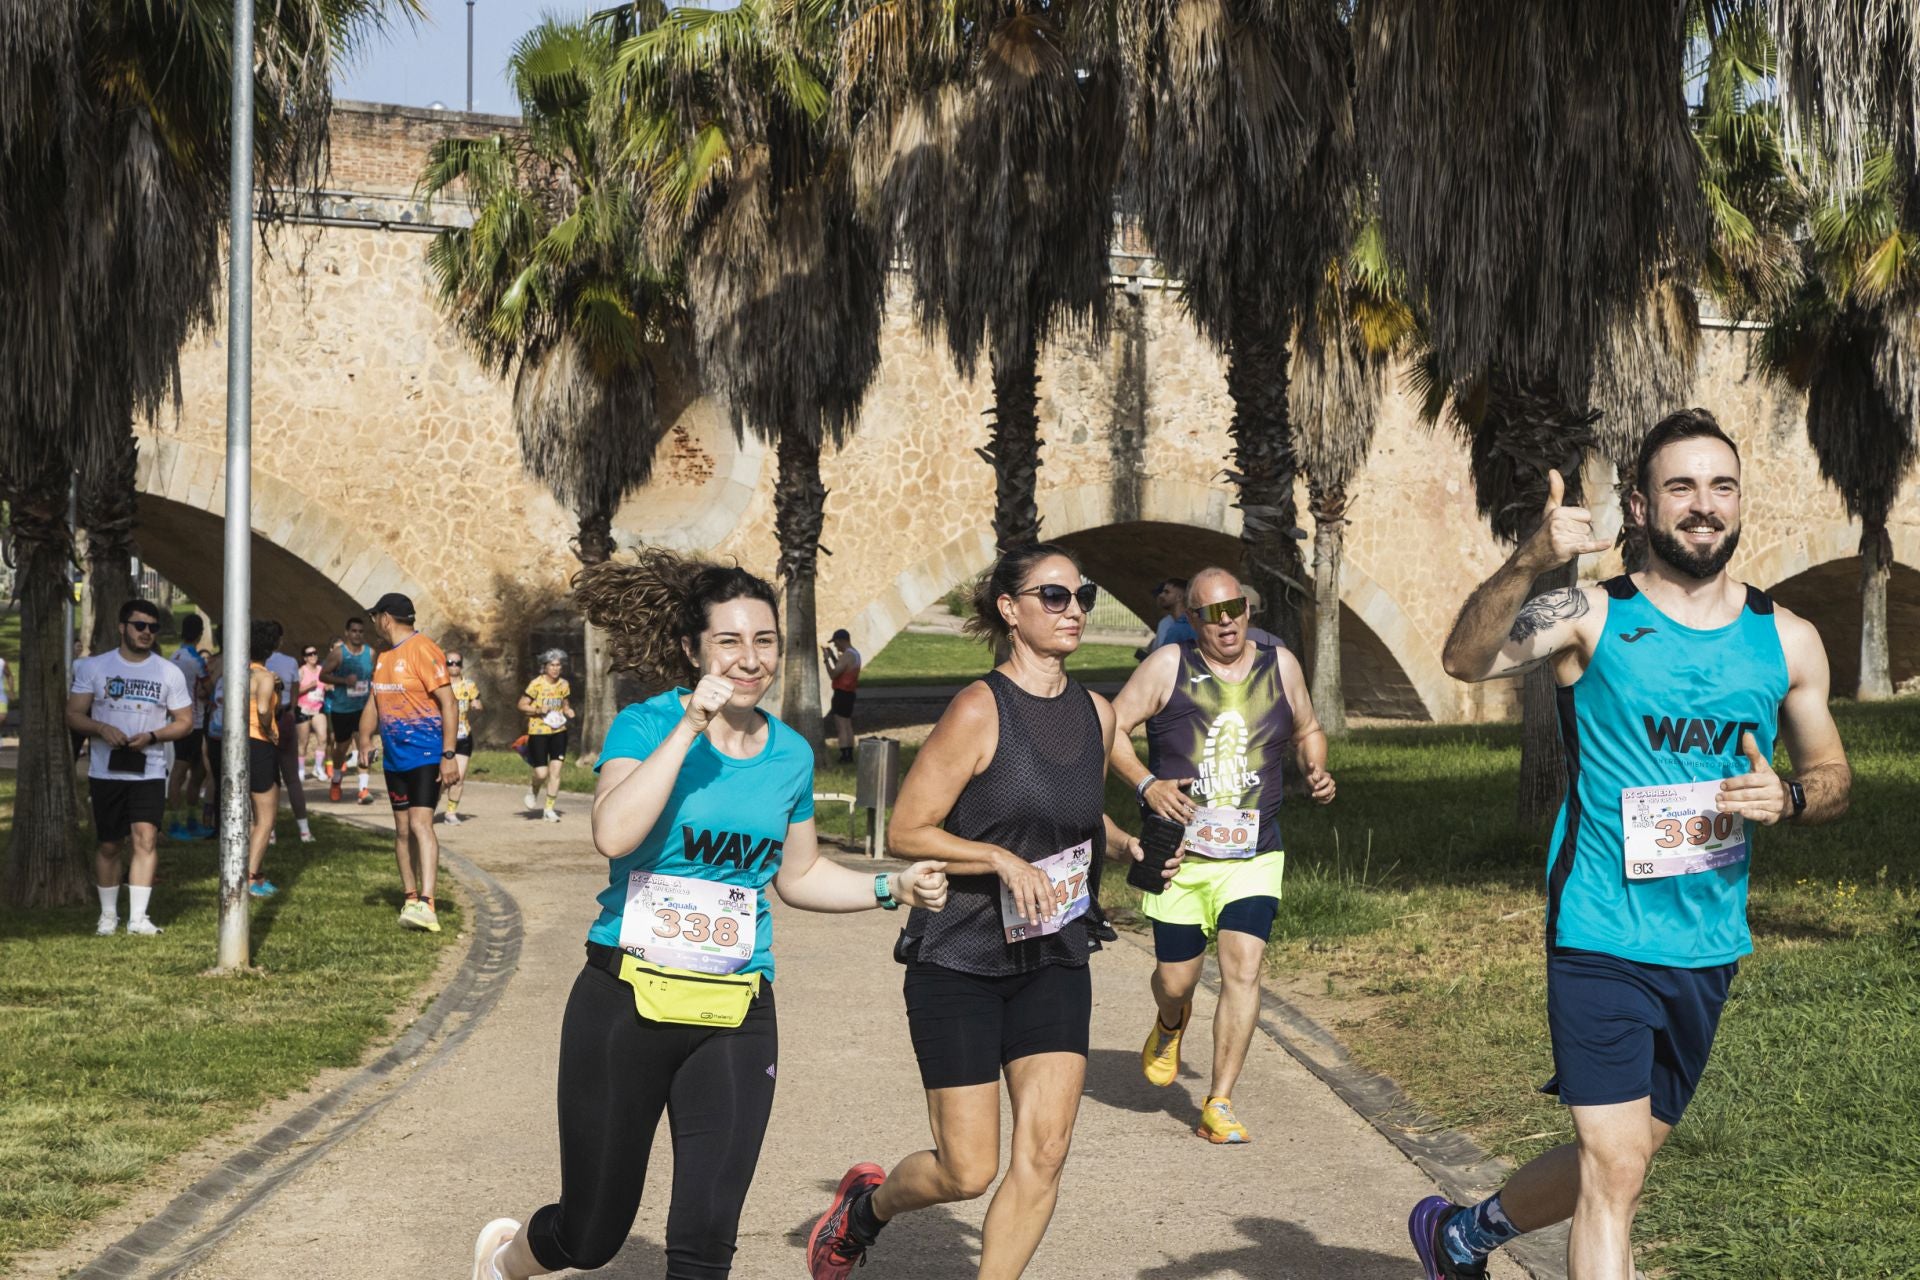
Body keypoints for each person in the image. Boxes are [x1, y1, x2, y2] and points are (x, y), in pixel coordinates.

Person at [1409, 409, 1852, 1280]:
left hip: (1708, 941)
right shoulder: (1589, 616)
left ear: (1739, 505)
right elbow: (1465, 659)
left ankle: (1461, 1236)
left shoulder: (1787, 638)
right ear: (1642, 509)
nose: (1703, 505)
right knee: (1615, 1171)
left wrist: (1794, 795)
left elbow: (1834, 772)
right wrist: (1534, 555)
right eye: (1680, 486)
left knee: (1623, 1155)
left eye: (1721, 486)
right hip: (1601, 928)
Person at [465, 548, 948, 1280]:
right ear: (694, 649)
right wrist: (689, 727)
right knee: (593, 1235)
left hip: (734, 1007)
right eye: (729, 641)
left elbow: (802, 873)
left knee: (705, 1241)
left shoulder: (788, 754)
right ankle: (505, 1263)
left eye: (763, 641)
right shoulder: (645, 724)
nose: (750, 659)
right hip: (624, 999)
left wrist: (892, 889)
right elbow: (613, 833)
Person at [805, 543, 1179, 1280]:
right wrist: (999, 860)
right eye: (1054, 596)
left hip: (1054, 954)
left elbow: (1065, 815)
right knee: (965, 1170)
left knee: (1044, 1152)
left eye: (1082, 596)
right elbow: (909, 828)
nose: (1073, 609)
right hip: (960, 959)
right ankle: (864, 1210)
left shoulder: (1097, 715)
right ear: (1010, 610)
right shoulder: (979, 709)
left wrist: (1128, 844)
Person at [1108, 567, 1336, 1144]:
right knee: (1176, 981)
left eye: (1234, 608)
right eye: (1210, 613)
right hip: (1181, 856)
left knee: (1243, 969)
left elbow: (1308, 726)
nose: (1226, 621)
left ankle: (1219, 1101)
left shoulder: (1278, 664)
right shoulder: (1168, 666)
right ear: (1191, 619)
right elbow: (1109, 727)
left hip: (1255, 853)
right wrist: (1145, 785)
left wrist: (1316, 764)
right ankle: (1169, 1020)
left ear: (1247, 610)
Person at [66, 599, 194, 936]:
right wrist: (101, 728)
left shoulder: (168, 672)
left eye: (153, 628)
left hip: (149, 769)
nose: (147, 633)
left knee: (146, 839)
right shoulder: (94, 668)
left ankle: (138, 918)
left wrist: (153, 735)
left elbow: (184, 722)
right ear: (123, 627)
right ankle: (108, 916)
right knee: (109, 844)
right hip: (105, 770)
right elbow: (74, 714)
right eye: (140, 626)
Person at [358, 593, 458, 933]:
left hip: (427, 754)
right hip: (395, 758)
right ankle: (411, 897)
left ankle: (428, 905)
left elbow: (449, 703)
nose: (374, 624)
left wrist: (448, 755)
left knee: (420, 824)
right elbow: (375, 701)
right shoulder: (383, 657)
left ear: (386, 618)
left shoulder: (424, 650)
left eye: (375, 618)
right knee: (401, 830)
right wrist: (365, 739)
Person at [165, 613, 215, 840]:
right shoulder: (195, 660)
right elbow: (207, 688)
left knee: (194, 771)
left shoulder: (173, 656)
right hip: (193, 722)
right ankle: (179, 823)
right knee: (186, 771)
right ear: (200, 634)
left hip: (178, 719)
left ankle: (187, 821)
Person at [263, 622, 314, 843]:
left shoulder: (258, 663)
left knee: (268, 779)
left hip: (263, 719)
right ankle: (304, 830)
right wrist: (292, 709)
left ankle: (270, 830)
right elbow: (294, 688)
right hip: (284, 717)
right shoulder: (290, 661)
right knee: (292, 777)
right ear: (281, 640)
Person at [245, 621, 285, 897]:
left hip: (240, 745)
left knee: (250, 817)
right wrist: (271, 731)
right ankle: (250, 879)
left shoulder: (240, 672)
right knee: (266, 819)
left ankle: (251, 871)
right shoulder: (265, 676)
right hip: (260, 746)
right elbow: (261, 709)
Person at [321, 616, 376, 804]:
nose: (357, 634)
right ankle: (336, 781)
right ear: (347, 632)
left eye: (361, 631)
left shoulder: (370, 653)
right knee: (341, 748)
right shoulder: (338, 654)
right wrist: (344, 681)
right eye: (354, 631)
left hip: (364, 707)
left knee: (364, 746)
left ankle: (363, 789)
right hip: (342, 708)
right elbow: (323, 675)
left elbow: (375, 675)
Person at [518, 648, 574, 822]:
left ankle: (549, 809)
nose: (556, 669)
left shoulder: (564, 684)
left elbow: (565, 704)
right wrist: (537, 709)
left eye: (558, 665)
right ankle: (534, 789)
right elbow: (521, 705)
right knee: (542, 773)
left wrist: (568, 711)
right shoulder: (536, 684)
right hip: (538, 731)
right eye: (552, 665)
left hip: (559, 731)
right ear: (545, 667)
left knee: (555, 771)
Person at [442, 650, 482, 824]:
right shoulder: (440, 686)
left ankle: (451, 812)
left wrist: (477, 705)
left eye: (457, 663)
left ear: (461, 665)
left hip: (463, 735)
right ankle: (429, 805)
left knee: (459, 776)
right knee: (442, 778)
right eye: (450, 663)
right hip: (443, 737)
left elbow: (478, 703)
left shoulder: (469, 685)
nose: (453, 666)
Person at [823, 629, 861, 764]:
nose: (835, 646)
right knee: (848, 724)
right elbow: (841, 669)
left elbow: (833, 674)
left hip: (842, 693)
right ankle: (849, 752)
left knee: (841, 725)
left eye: (835, 643)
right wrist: (833, 656)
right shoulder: (855, 654)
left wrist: (826, 659)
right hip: (850, 693)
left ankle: (844, 755)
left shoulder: (847, 655)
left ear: (840, 640)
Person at [296, 644, 329, 781]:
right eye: (310, 654)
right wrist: (309, 686)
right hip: (303, 709)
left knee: (323, 738)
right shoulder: (301, 671)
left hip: (318, 709)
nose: (313, 656)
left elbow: (325, 685)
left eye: (315, 653)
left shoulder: (322, 670)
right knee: (303, 742)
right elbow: (295, 691)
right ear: (305, 658)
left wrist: (328, 686)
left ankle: (318, 767)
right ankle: (301, 770)